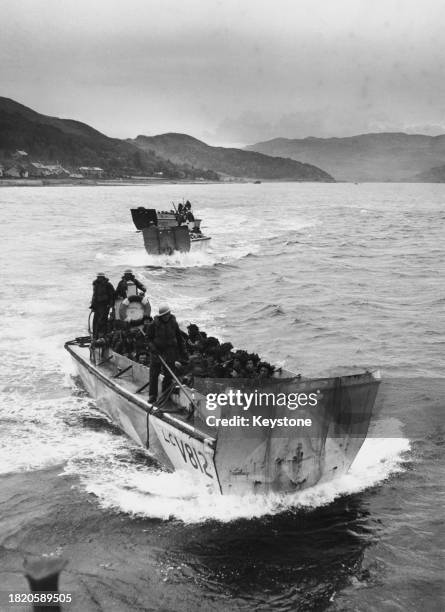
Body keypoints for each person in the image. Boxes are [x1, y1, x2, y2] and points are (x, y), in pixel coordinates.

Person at [147, 304, 187, 403]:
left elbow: (179, 338)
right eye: (165, 315)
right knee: (154, 374)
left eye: (168, 314)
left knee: (168, 375)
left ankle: (165, 395)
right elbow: (148, 339)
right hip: (157, 353)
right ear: (161, 316)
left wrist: (183, 352)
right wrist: (153, 348)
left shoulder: (173, 323)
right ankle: (152, 395)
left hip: (170, 352)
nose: (167, 316)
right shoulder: (153, 325)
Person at [90, 273, 115, 339]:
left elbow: (112, 294)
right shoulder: (96, 284)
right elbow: (94, 296)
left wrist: (111, 304)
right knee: (95, 321)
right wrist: (92, 306)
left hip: (105, 305)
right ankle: (95, 335)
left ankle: (102, 335)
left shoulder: (108, 285)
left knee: (102, 320)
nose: (99, 278)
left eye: (100, 277)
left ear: (103, 277)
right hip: (97, 305)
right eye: (98, 277)